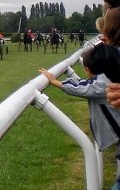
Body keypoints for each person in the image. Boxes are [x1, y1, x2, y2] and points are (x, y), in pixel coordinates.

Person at [39, 43, 120, 189]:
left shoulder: (103, 84)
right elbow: (86, 83)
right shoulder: (107, 77)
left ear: (88, 69)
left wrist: (54, 81)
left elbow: (82, 87)